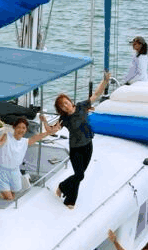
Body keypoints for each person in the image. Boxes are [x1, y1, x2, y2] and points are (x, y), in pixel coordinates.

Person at [41, 76, 110, 209]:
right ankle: (66, 195)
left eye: (65, 102)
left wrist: (105, 81)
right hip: (76, 149)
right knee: (79, 175)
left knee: (79, 176)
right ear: (61, 109)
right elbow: (51, 131)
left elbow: (96, 94)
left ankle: (67, 196)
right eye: (62, 106)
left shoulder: (82, 106)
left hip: (88, 145)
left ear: (70, 101)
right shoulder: (64, 119)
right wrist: (44, 121)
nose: (65, 106)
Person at [0, 115, 43, 201]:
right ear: (14, 127)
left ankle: (2, 198)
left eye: (23, 128)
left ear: (26, 130)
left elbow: (37, 137)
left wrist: (49, 132)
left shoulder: (25, 141)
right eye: (19, 127)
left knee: (12, 197)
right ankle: (1, 196)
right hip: (2, 172)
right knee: (9, 198)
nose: (21, 130)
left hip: (15, 172)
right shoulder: (6, 136)